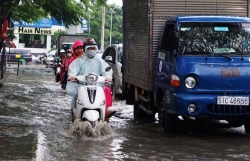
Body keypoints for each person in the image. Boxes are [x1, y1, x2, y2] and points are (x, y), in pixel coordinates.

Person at [67, 38, 116, 121]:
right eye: (89, 48)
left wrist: (108, 77)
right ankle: (75, 111)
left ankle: (105, 110)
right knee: (76, 93)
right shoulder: (79, 60)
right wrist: (72, 76)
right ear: (85, 49)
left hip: (97, 84)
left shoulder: (100, 60)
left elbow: (106, 69)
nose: (91, 50)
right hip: (81, 85)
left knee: (106, 90)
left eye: (93, 48)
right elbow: (73, 70)